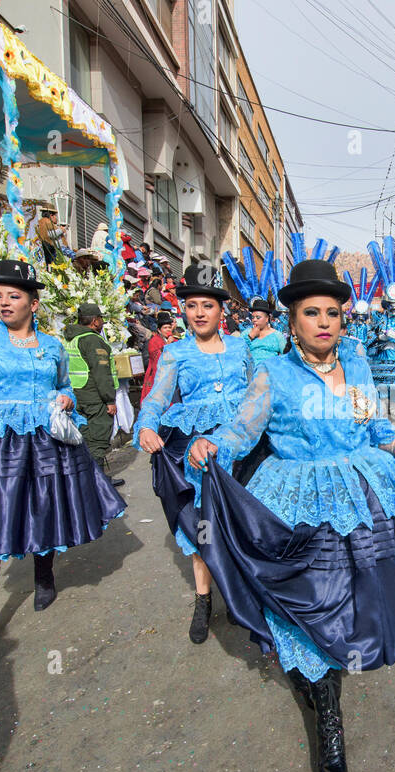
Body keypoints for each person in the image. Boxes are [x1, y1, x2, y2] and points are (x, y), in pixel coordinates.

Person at [186, 257, 395, 772]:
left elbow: (375, 429)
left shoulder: (360, 367)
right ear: (292, 321)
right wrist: (213, 446)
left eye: (332, 313)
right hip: (295, 501)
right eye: (311, 312)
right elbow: (241, 431)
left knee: (356, 599)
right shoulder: (272, 372)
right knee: (310, 601)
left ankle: (329, 683)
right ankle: (328, 716)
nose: (324, 321)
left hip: (359, 498)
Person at [0, 259, 126, 652]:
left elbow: (64, 384)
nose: (3, 303)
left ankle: (44, 575)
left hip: (45, 440)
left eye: (13, 296)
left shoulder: (53, 345)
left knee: (44, 508)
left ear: (33, 304)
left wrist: (65, 397)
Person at [134, 262, 253, 645]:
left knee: (243, 524)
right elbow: (157, 397)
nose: (199, 313)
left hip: (242, 448)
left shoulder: (241, 345)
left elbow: (257, 394)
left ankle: (244, 592)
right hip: (198, 453)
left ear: (222, 311)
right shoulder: (174, 353)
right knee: (203, 525)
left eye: (207, 305)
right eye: (191, 306)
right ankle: (203, 600)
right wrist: (146, 425)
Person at [65, 303, 124, 488]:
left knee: (85, 438)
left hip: (79, 395)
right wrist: (109, 399)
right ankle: (98, 483)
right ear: (95, 321)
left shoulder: (72, 338)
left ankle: (89, 479)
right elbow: (101, 373)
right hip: (95, 398)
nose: (102, 323)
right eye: (101, 320)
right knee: (98, 440)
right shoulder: (92, 341)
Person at [140, 311, 176, 402]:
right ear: (159, 330)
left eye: (169, 327)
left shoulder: (175, 340)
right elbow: (156, 358)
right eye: (165, 328)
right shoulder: (154, 341)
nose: (168, 330)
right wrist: (167, 345)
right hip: (157, 375)